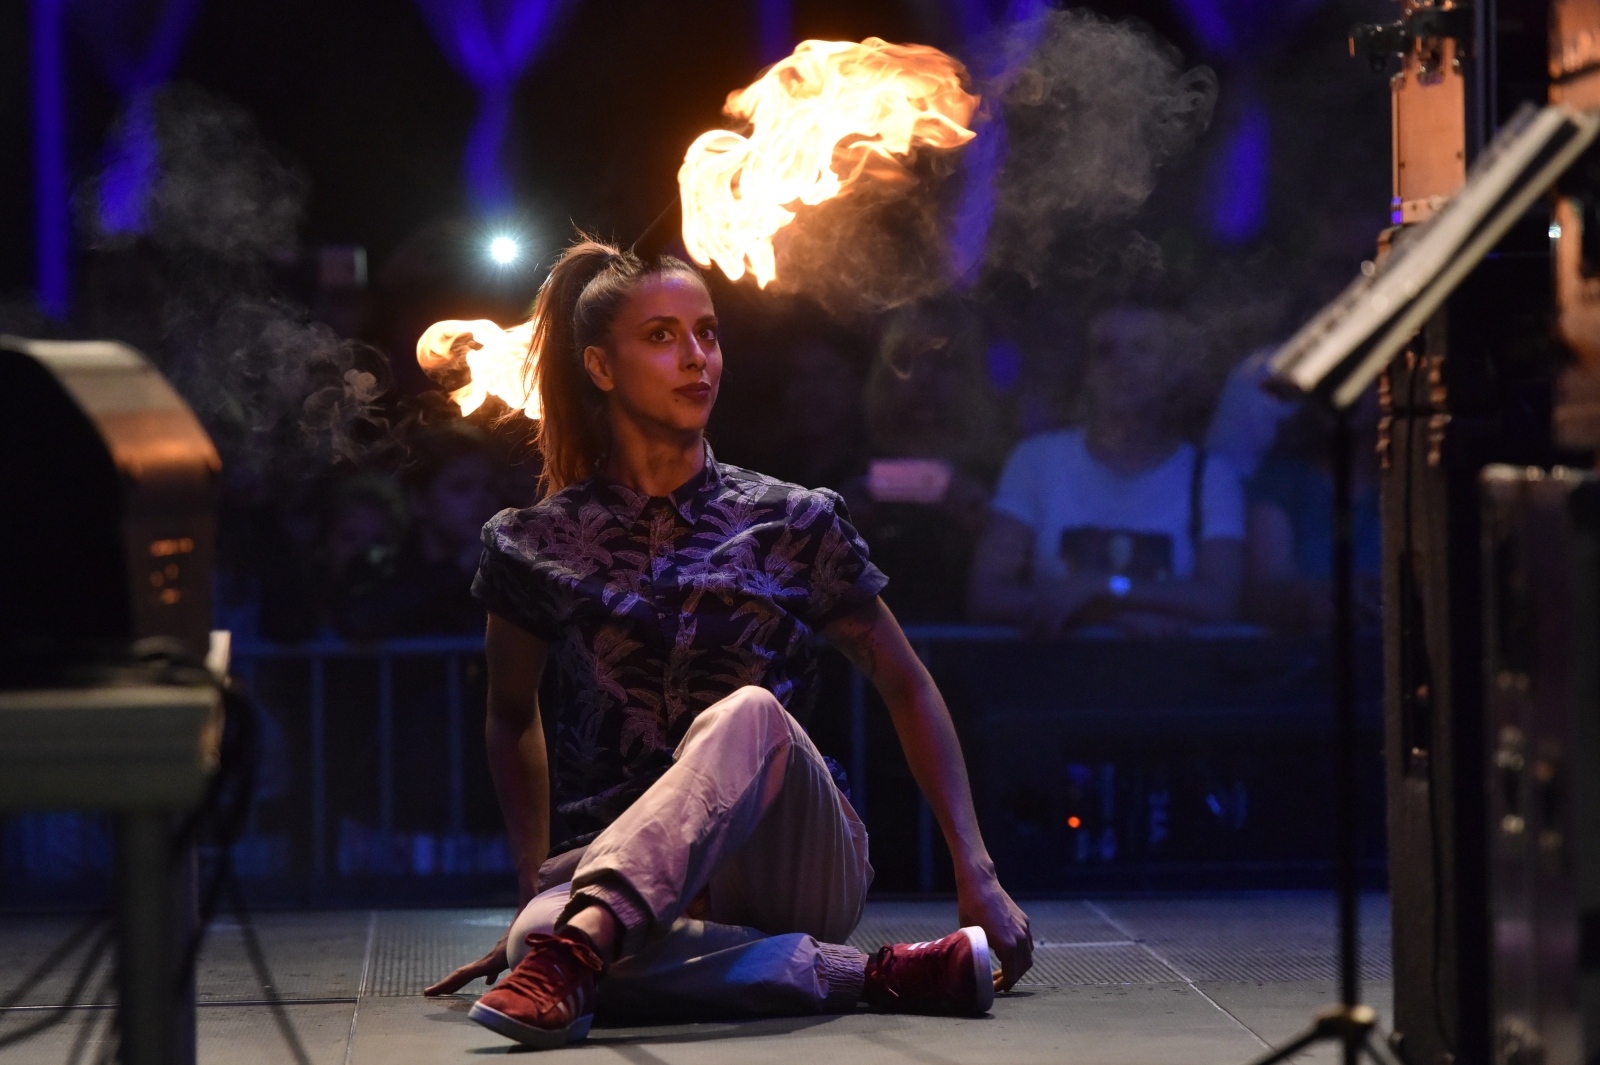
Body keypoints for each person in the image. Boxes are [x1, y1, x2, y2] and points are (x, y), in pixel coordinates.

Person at [421, 238, 1032, 1048]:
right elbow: (509, 715)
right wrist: (533, 879)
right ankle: (877, 972)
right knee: (534, 938)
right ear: (601, 367)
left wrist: (977, 870)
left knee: (748, 711)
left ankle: (580, 944)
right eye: (662, 336)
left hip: (789, 860)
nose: (697, 357)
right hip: (618, 864)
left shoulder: (793, 518)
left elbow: (906, 683)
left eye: (707, 332)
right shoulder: (536, 541)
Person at [967, 305, 1245, 637]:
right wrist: (1106, 616)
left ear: (1173, 370)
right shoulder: (1038, 461)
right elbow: (987, 594)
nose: (1121, 364)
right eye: (1105, 351)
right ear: (1088, 374)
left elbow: (1218, 600)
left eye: (1141, 349)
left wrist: (1102, 587)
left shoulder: (1209, 476)